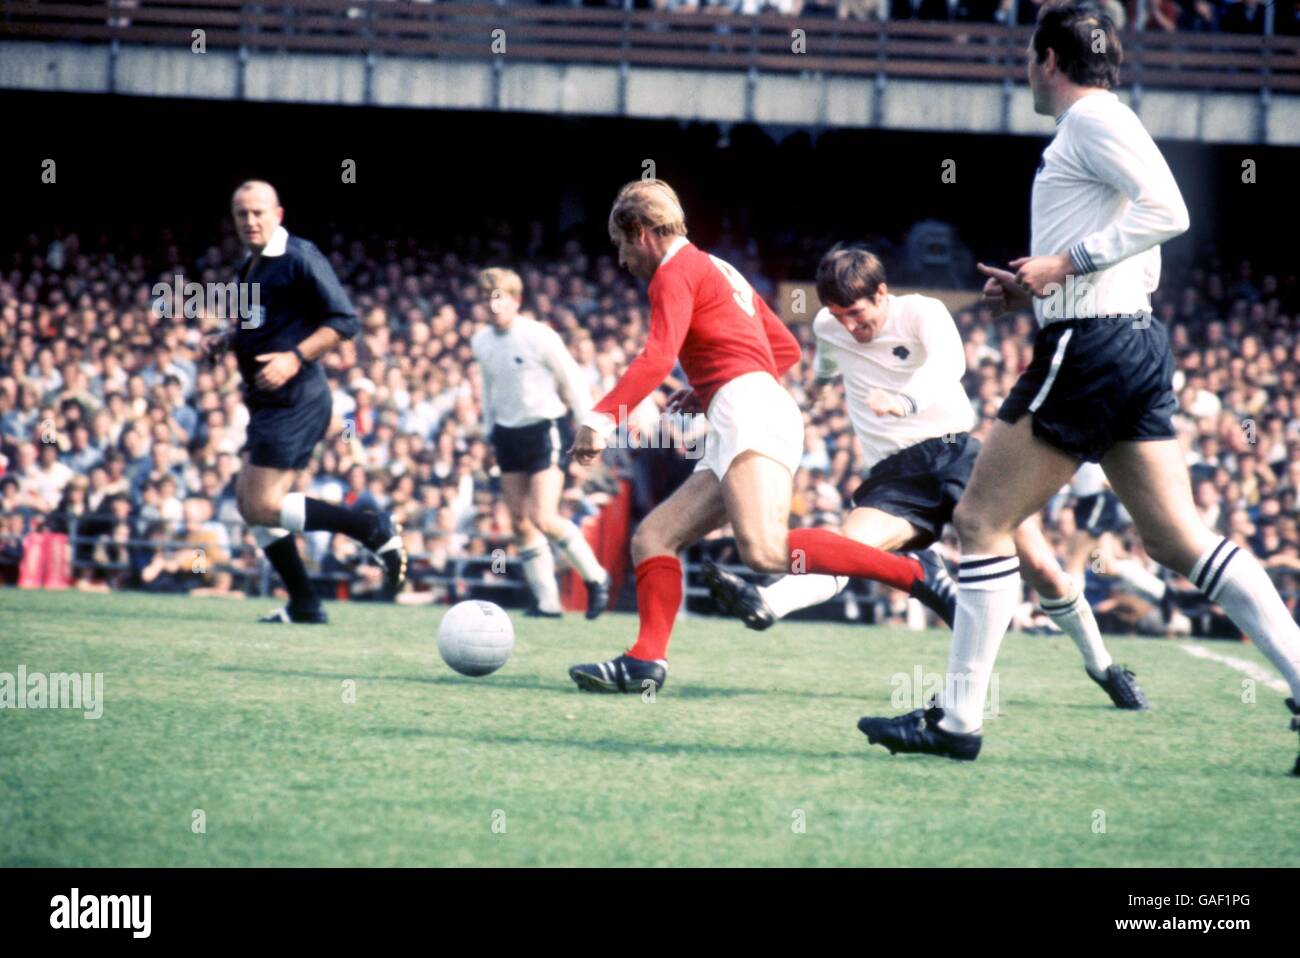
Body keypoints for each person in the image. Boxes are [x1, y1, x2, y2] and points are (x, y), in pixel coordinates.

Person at [858, 2, 1300, 774]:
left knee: (981, 518)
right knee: (1174, 539)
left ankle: (958, 721)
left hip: (1091, 347)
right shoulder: (1103, 124)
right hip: (1125, 339)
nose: (1027, 68)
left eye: (1031, 56)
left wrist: (1064, 270)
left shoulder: (1092, 122)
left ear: (1050, 61)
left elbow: (1171, 210)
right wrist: (1038, 289)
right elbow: (1138, 244)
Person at [704, 246, 1146, 709]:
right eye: (838, 315)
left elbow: (948, 366)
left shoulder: (921, 312)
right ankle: (767, 603)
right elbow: (829, 362)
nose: (851, 327)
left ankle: (1104, 667)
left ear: (882, 292)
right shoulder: (828, 326)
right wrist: (816, 390)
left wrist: (905, 403)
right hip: (895, 475)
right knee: (849, 551)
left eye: (856, 313)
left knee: (1042, 569)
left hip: (958, 453)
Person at [566, 180, 953, 694]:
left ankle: (913, 574)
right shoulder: (718, 268)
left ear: (639, 233)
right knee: (654, 537)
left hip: (749, 410)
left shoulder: (672, 273)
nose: (620, 259)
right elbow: (786, 349)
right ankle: (645, 663)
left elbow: (657, 357)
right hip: (745, 406)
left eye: (619, 244)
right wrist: (709, 389)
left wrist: (599, 419)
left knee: (765, 552)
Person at [202, 180, 406, 625]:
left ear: (278, 213)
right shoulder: (251, 265)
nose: (251, 221)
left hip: (296, 398)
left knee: (261, 504)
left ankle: (370, 528)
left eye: (259, 212)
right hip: (266, 400)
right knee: (248, 503)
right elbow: (265, 323)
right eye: (242, 214)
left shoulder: (299, 256)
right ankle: (305, 604)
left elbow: (344, 321)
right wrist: (227, 339)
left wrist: (295, 357)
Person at [471, 267, 610, 619]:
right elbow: (489, 389)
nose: (493, 306)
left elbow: (572, 379)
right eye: (488, 299)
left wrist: (588, 424)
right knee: (519, 521)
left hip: (543, 429)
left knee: (544, 517)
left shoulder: (538, 336)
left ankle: (596, 578)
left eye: (500, 298)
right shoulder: (481, 342)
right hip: (506, 434)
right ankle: (547, 602)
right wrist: (489, 432)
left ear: (516, 301)